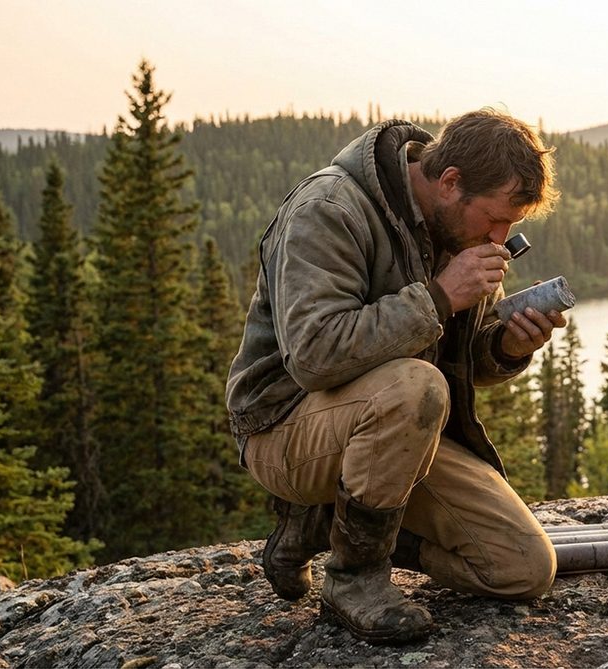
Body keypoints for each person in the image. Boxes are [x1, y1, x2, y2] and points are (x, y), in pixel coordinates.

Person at [226, 110, 565, 645]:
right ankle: (354, 578)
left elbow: (465, 360)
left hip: (392, 434)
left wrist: (506, 346)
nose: (502, 237)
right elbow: (312, 356)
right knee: (416, 387)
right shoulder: (329, 208)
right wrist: (438, 297)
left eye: (512, 227)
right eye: (496, 219)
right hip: (284, 427)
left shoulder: (456, 227)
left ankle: (328, 529)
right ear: (450, 181)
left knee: (521, 568)